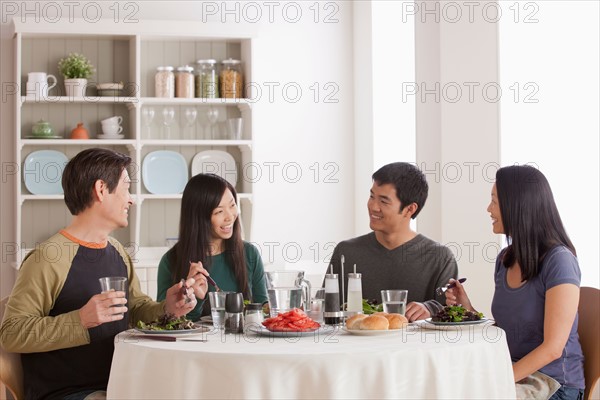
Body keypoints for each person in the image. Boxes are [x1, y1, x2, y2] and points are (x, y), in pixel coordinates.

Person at [0, 148, 198, 400]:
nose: (131, 199)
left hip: (120, 384)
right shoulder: (48, 258)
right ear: (101, 189)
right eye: (126, 187)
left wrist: (168, 308)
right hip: (66, 393)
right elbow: (11, 333)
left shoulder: (117, 251)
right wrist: (81, 320)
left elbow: (135, 310)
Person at [445, 165, 585, 399]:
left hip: (555, 385)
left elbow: (553, 348)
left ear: (518, 206)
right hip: (514, 373)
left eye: (494, 202)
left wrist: (496, 380)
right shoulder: (505, 259)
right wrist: (468, 310)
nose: (488, 209)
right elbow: (506, 334)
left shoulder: (559, 261)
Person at [329, 162, 458, 322]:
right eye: (371, 196)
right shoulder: (346, 252)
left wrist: (429, 309)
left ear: (410, 209)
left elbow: (451, 313)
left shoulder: (440, 257)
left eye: (384, 201)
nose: (373, 206)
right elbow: (327, 314)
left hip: (416, 347)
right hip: (354, 346)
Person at [157, 173, 267, 321]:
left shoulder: (250, 254)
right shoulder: (171, 261)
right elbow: (166, 323)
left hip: (243, 343)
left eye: (232, 205)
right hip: (192, 344)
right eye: (219, 211)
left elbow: (263, 310)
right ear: (199, 217)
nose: (230, 216)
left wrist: (285, 311)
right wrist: (195, 298)